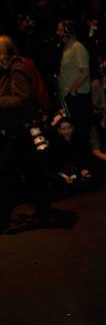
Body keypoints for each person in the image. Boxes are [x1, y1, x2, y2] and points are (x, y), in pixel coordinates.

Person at [0, 35, 52, 232]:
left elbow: (23, 99)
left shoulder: (16, 68)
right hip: (18, 127)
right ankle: (44, 211)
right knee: (31, 172)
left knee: (7, 173)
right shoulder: (8, 69)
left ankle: (4, 219)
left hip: (21, 127)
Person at [56, 20, 92, 147]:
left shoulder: (77, 47)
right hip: (71, 97)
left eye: (60, 30)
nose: (57, 33)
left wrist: (72, 90)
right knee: (76, 133)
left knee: (82, 131)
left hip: (78, 96)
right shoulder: (66, 48)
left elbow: (85, 71)